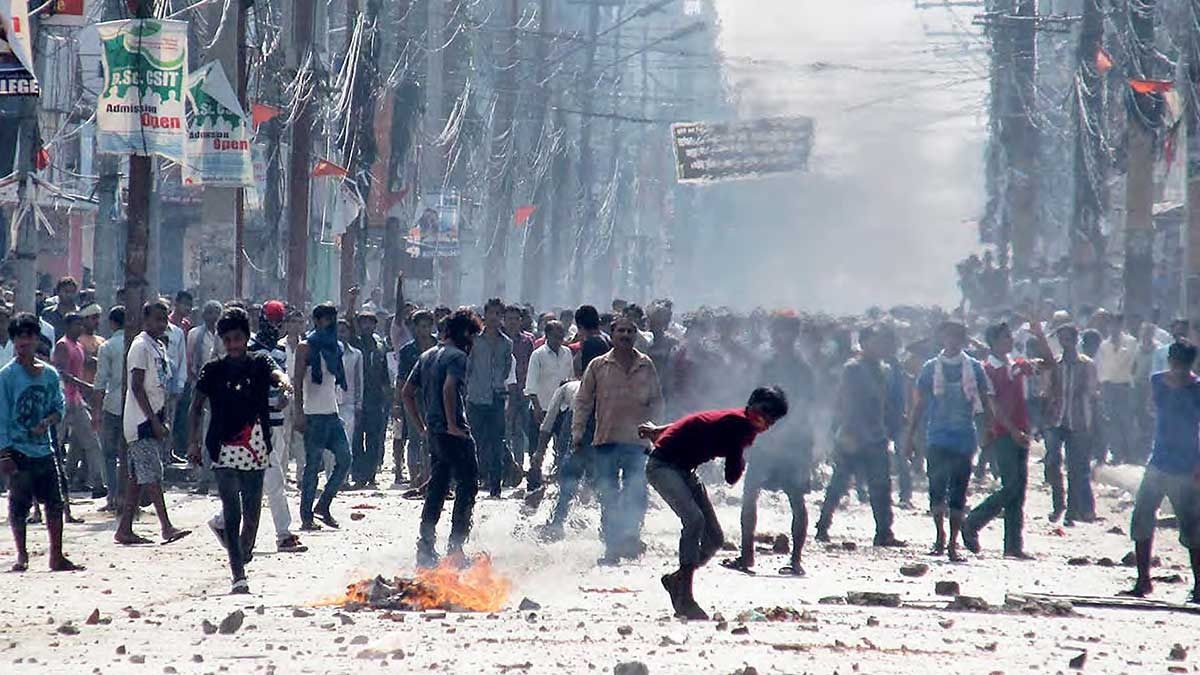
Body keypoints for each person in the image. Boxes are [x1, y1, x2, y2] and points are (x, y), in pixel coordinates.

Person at [640, 386, 789, 620]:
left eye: (771, 419)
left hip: (684, 470)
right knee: (694, 520)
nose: (766, 421)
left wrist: (660, 430)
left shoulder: (740, 425)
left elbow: (696, 423)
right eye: (764, 413)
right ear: (752, 407)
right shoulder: (738, 424)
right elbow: (731, 476)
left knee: (715, 538)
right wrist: (742, 455)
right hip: (663, 466)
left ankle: (677, 579)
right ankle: (685, 598)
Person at [188, 307, 294, 594]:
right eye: (228, 340)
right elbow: (196, 407)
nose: (234, 345)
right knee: (232, 511)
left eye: (238, 339)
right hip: (223, 448)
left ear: (247, 337)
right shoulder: (214, 370)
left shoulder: (259, 362)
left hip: (257, 447)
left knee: (252, 513)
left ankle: (242, 553)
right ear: (223, 341)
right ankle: (238, 574)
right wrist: (193, 443)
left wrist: (285, 388)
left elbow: (278, 375)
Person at [723, 313, 814, 577]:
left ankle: (796, 559)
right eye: (778, 331)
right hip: (764, 441)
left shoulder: (802, 369)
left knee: (796, 499)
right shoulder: (766, 365)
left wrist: (786, 437)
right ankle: (746, 555)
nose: (781, 336)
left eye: (787, 331)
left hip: (793, 445)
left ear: (794, 335)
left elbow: (804, 407)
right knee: (749, 496)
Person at [572, 315, 664, 565]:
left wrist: (656, 430)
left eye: (630, 331)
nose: (625, 335)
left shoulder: (645, 364)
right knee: (608, 494)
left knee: (637, 492)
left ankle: (631, 537)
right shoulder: (598, 365)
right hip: (606, 440)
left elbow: (657, 401)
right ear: (612, 335)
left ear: (635, 335)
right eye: (620, 331)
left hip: (638, 441)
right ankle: (612, 547)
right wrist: (578, 432)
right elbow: (583, 401)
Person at [962, 320, 1052, 559]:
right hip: (1003, 433)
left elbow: (1048, 364)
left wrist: (1039, 333)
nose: (1010, 340)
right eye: (1005, 337)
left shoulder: (1015, 365)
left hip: (1020, 430)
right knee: (1011, 486)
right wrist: (1012, 430)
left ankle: (1013, 545)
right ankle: (973, 521)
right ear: (993, 341)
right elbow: (995, 406)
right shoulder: (987, 369)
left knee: (1018, 490)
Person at [0, 312, 82, 572]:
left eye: (28, 338)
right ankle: (22, 555)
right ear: (14, 342)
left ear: (36, 339)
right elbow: (1, 416)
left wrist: (46, 423)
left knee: (54, 504)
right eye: (19, 339)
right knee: (19, 505)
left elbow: (59, 406)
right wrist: (4, 453)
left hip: (44, 448)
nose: (24, 343)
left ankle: (56, 555)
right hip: (18, 448)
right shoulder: (7, 377)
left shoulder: (48, 375)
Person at [401, 308, 483, 568]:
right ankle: (456, 550)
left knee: (437, 488)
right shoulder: (457, 356)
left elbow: (406, 393)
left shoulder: (426, 355)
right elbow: (449, 388)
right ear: (465, 333)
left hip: (435, 433)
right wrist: (452, 425)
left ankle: (425, 547)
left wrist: (422, 426)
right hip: (453, 432)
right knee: (468, 485)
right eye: (472, 336)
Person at [1122, 341, 1200, 602]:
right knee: (1142, 517)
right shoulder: (1157, 382)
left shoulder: (1197, 389)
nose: (1176, 370)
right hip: (1159, 462)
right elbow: (1150, 409)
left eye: (1181, 365)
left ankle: (1199, 585)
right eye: (1174, 364)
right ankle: (1143, 580)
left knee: (1191, 527)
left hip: (1186, 467)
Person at [907, 320, 990, 562]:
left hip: (965, 438)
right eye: (948, 337)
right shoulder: (930, 368)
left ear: (963, 340)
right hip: (937, 437)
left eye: (956, 337)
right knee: (936, 489)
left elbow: (985, 402)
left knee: (958, 492)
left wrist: (988, 430)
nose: (952, 342)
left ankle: (953, 542)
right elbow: (919, 404)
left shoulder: (975, 368)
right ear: (941, 339)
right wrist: (910, 435)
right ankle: (940, 536)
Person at [816, 324, 906, 547]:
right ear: (864, 343)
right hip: (853, 435)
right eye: (875, 341)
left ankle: (884, 532)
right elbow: (845, 402)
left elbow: (884, 403)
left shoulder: (884, 369)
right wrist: (843, 432)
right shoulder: (853, 369)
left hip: (875, 435)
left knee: (881, 486)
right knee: (839, 484)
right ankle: (822, 526)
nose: (880, 346)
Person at [114, 300, 191, 546]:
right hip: (140, 420)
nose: (161, 324)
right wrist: (153, 421)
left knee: (138, 477)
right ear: (145, 319)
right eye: (156, 319)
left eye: (163, 319)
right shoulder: (140, 346)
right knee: (153, 474)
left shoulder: (157, 346)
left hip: (153, 415)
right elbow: (136, 386)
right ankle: (166, 526)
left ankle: (125, 528)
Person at [240, 300, 306, 553]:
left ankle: (224, 521)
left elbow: (285, 384)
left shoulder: (277, 351)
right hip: (258, 426)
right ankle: (283, 534)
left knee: (259, 481)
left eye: (279, 321)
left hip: (277, 424)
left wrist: (285, 398)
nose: (276, 325)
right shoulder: (251, 350)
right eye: (273, 320)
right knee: (274, 481)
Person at [293, 302, 352, 530]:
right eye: (327, 319)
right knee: (312, 467)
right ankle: (306, 516)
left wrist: (352, 303)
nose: (331, 323)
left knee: (345, 459)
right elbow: (297, 382)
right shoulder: (305, 347)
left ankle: (324, 505)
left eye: (333, 319)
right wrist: (299, 413)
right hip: (314, 414)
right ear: (317, 321)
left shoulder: (335, 346)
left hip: (332, 413)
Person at [1045, 322, 1099, 526]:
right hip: (1056, 419)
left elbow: (1093, 394)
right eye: (1061, 339)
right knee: (1051, 463)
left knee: (1076, 468)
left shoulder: (1087, 364)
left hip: (1079, 421)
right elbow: (1048, 390)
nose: (1064, 343)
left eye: (1067, 339)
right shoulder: (1055, 364)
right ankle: (1058, 503)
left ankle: (1072, 510)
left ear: (1076, 340)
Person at [52, 314, 106, 499]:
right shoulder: (63, 345)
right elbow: (61, 372)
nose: (80, 328)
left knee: (91, 441)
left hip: (76, 399)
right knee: (56, 444)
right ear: (68, 326)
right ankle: (55, 486)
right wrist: (84, 386)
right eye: (76, 324)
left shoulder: (79, 346)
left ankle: (99, 484)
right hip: (63, 399)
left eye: (80, 324)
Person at [467, 298, 515, 499]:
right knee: (474, 442)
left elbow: (505, 370)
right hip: (476, 398)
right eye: (491, 313)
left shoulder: (507, 343)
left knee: (496, 442)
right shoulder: (474, 340)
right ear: (484, 315)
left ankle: (495, 486)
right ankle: (472, 482)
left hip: (496, 398)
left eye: (498, 314)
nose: (494, 318)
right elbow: (468, 368)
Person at [345, 288, 392, 489]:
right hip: (356, 398)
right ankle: (358, 474)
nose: (366, 325)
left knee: (374, 438)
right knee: (356, 438)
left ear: (375, 325)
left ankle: (371, 474)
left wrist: (389, 394)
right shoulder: (354, 343)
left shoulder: (380, 345)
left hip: (375, 399)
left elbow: (384, 373)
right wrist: (352, 301)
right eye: (362, 322)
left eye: (369, 322)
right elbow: (348, 321)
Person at [524, 319, 574, 489]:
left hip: (562, 409)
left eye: (562, 336)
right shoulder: (538, 355)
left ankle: (560, 482)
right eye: (556, 336)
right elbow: (530, 385)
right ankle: (534, 482)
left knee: (563, 447)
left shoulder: (567, 353)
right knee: (537, 448)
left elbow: (571, 379)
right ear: (547, 336)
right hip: (542, 407)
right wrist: (536, 408)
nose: (559, 340)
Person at [395, 309, 437, 490]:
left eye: (427, 326)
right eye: (421, 326)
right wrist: (397, 403)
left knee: (435, 439)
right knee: (415, 437)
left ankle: (431, 478)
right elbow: (401, 379)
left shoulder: (440, 347)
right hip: (413, 399)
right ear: (414, 328)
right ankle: (414, 480)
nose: (424, 330)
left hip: (437, 398)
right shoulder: (407, 351)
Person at [93, 306, 125, 512]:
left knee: (109, 454)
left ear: (112, 323)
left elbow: (100, 381)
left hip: (112, 405)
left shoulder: (108, 346)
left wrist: (96, 411)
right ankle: (128, 497)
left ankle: (113, 496)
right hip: (134, 406)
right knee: (129, 454)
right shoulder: (138, 343)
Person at [1094, 311, 1138, 465]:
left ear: (1121, 325)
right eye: (1111, 324)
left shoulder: (1131, 342)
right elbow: (1100, 367)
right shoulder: (1104, 345)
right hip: (1108, 386)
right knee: (1111, 421)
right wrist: (1100, 386)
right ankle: (1116, 453)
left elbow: (1131, 363)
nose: (1113, 327)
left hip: (1125, 386)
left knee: (1126, 421)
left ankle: (1131, 454)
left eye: (1116, 324)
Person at [506, 304, 536, 487]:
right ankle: (505, 469)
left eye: (516, 319)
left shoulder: (527, 341)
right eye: (509, 319)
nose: (512, 323)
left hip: (523, 392)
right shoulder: (498, 340)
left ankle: (518, 468)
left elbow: (532, 365)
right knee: (504, 432)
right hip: (503, 393)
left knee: (520, 432)